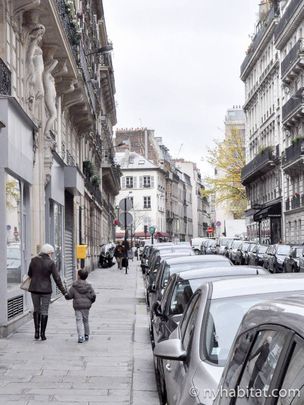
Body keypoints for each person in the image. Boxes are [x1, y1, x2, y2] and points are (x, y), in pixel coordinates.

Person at [28, 243, 67, 341]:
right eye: (52, 253)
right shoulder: (51, 263)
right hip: (46, 290)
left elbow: (29, 274)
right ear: (49, 252)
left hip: (34, 289)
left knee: (36, 309)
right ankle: (43, 334)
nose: (52, 255)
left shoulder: (33, 260)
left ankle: (36, 332)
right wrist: (64, 292)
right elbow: (57, 278)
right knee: (44, 310)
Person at [65, 269, 96, 343]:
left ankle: (80, 337)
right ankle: (86, 335)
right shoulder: (89, 286)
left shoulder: (74, 286)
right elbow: (93, 296)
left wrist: (66, 293)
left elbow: (69, 296)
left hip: (78, 306)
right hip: (86, 307)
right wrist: (90, 302)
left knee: (79, 321)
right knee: (86, 321)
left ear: (78, 276)